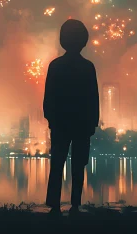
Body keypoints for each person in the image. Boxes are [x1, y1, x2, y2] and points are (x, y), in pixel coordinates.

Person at [43, 19, 99, 215]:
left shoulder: (55, 66)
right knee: (78, 166)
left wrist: (51, 119)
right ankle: (75, 205)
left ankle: (54, 205)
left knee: (57, 164)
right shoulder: (88, 67)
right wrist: (92, 123)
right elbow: (94, 98)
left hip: (60, 123)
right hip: (82, 124)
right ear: (84, 41)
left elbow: (48, 97)